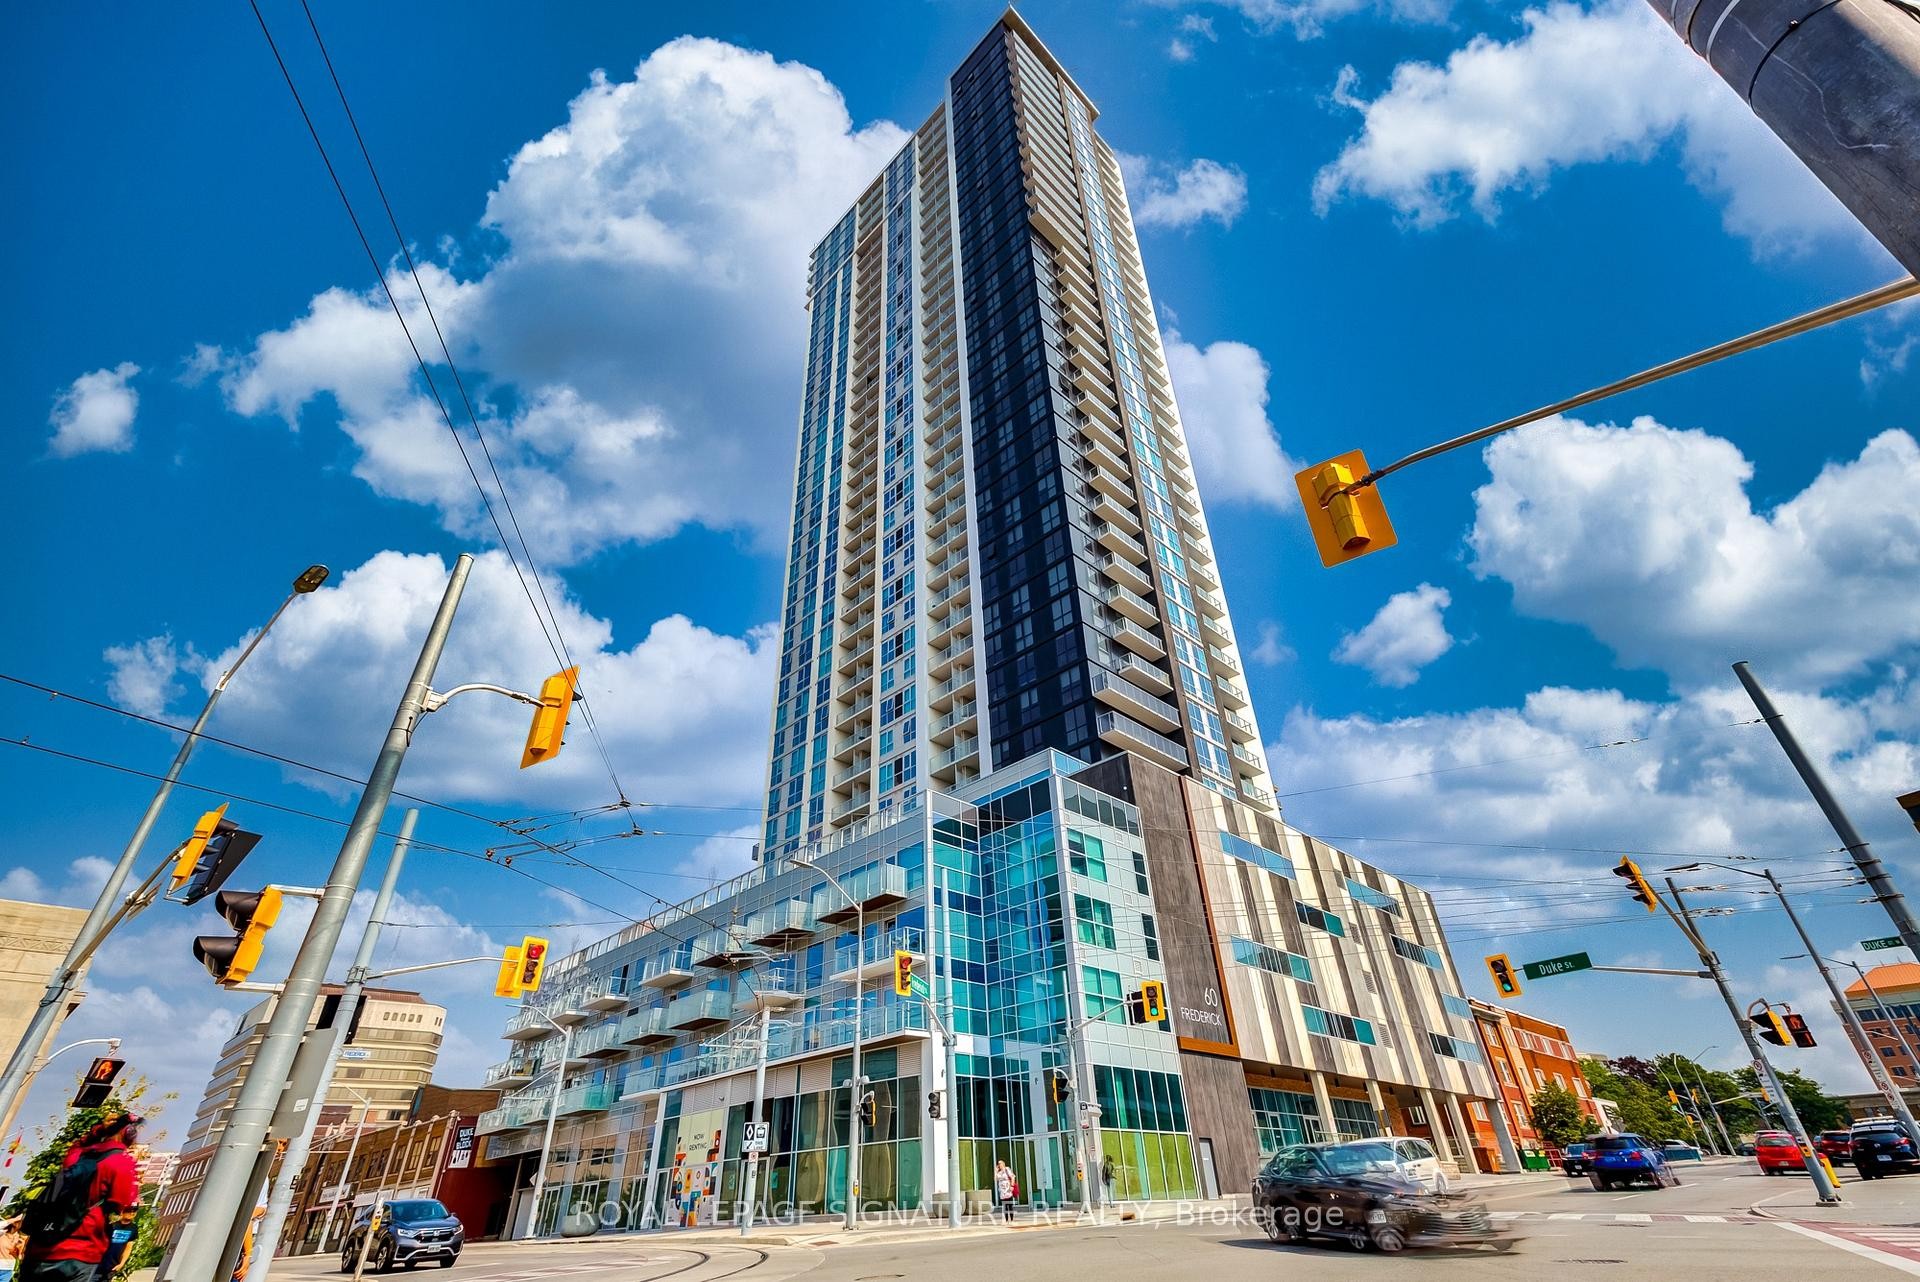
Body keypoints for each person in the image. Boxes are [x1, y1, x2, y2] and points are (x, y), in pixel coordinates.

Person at [16, 1113, 141, 1282]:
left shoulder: (79, 1155)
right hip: (81, 1250)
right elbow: (121, 1202)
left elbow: (77, 1145)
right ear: (128, 1134)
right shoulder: (121, 1162)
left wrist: (97, 1131)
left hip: (41, 1246)